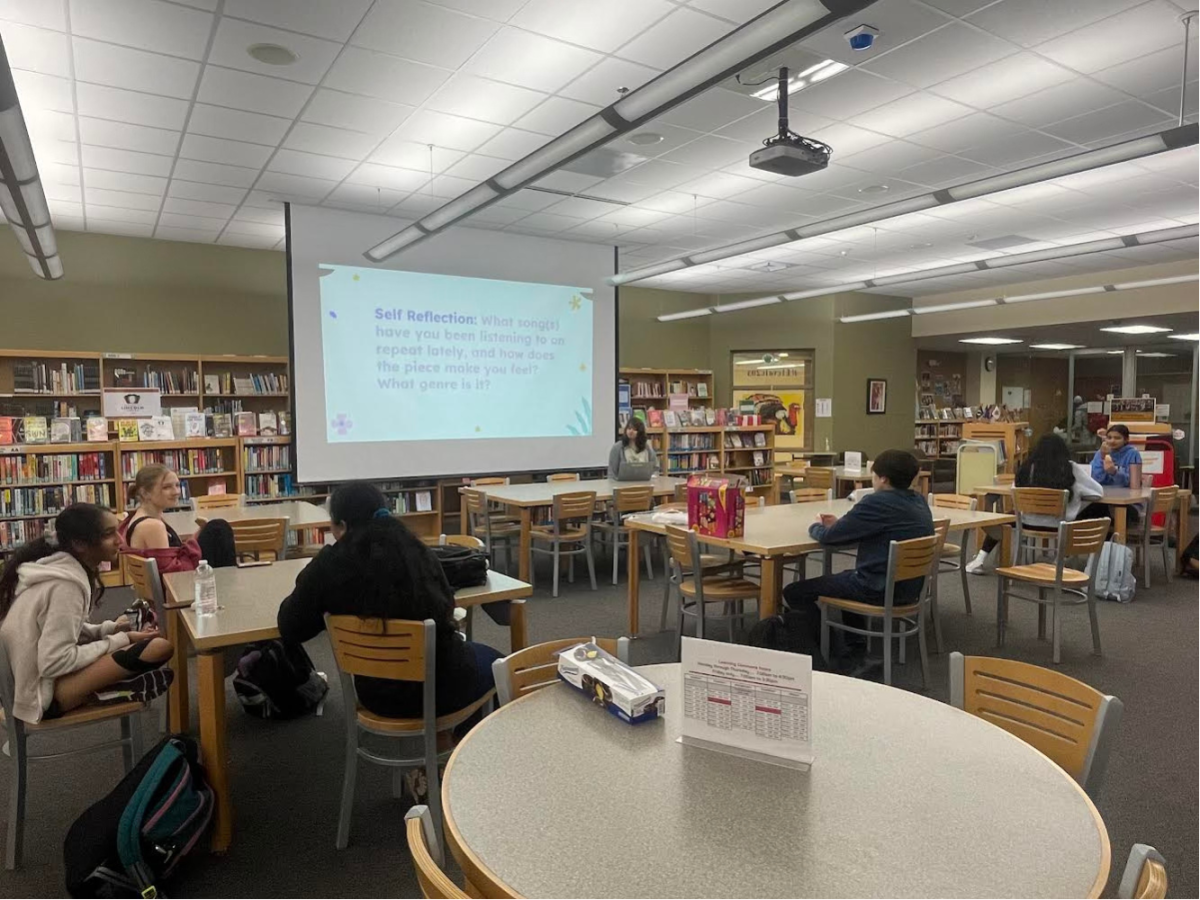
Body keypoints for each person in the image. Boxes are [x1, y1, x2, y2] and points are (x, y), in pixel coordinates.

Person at [277, 482, 500, 773]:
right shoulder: (416, 549)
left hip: (379, 696)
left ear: (341, 525)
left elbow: (290, 627)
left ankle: (442, 756)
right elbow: (447, 606)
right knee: (500, 664)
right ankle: (458, 758)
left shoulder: (331, 564)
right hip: (445, 685)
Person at [0, 504, 173, 723]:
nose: (120, 540)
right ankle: (110, 690)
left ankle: (117, 686)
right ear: (80, 544)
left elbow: (58, 631)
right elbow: (54, 661)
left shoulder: (57, 571)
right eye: (109, 534)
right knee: (159, 648)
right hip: (39, 696)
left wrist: (111, 631)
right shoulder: (66, 587)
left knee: (137, 644)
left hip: (30, 682)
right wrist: (118, 640)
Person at [781, 450, 933, 652]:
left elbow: (828, 538)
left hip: (878, 588)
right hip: (911, 588)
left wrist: (815, 526)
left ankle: (830, 644)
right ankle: (855, 643)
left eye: (874, 475)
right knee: (846, 579)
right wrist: (842, 525)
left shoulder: (877, 502)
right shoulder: (918, 500)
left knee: (795, 591)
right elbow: (881, 527)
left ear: (883, 479)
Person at [967, 433, 1106, 574]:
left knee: (1004, 518)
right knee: (1100, 511)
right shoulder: (1070, 469)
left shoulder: (1027, 468)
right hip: (1060, 525)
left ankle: (979, 559)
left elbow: (1015, 491)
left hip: (1027, 522)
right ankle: (1089, 565)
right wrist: (1078, 498)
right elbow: (1098, 492)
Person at [120, 463, 236, 572]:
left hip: (175, 579)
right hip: (178, 585)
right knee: (219, 529)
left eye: (177, 485)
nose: (176, 492)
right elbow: (173, 572)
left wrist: (198, 534)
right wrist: (194, 545)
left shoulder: (144, 517)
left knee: (214, 530)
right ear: (145, 493)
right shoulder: (152, 526)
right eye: (167, 487)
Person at [1091, 424, 1143, 488]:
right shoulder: (1100, 453)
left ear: (1126, 439)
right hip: (1103, 491)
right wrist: (1103, 458)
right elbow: (1096, 478)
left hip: (1125, 493)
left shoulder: (1132, 453)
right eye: (1109, 438)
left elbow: (1132, 482)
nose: (1112, 441)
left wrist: (1115, 473)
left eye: (1117, 438)